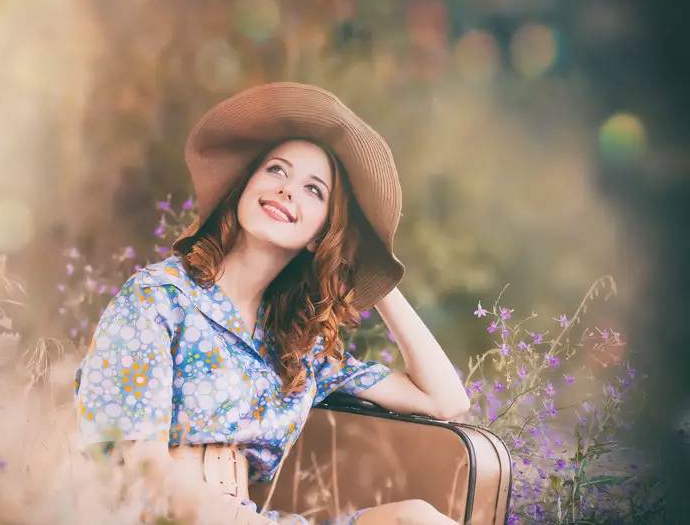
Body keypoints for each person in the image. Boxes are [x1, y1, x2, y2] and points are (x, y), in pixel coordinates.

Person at [74, 83, 469, 525]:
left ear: (321, 235)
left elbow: (445, 401)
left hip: (251, 517)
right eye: (276, 170)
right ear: (246, 187)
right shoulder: (157, 300)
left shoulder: (297, 347)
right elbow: (139, 471)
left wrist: (371, 266)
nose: (287, 190)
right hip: (165, 517)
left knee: (416, 519)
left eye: (313, 190)